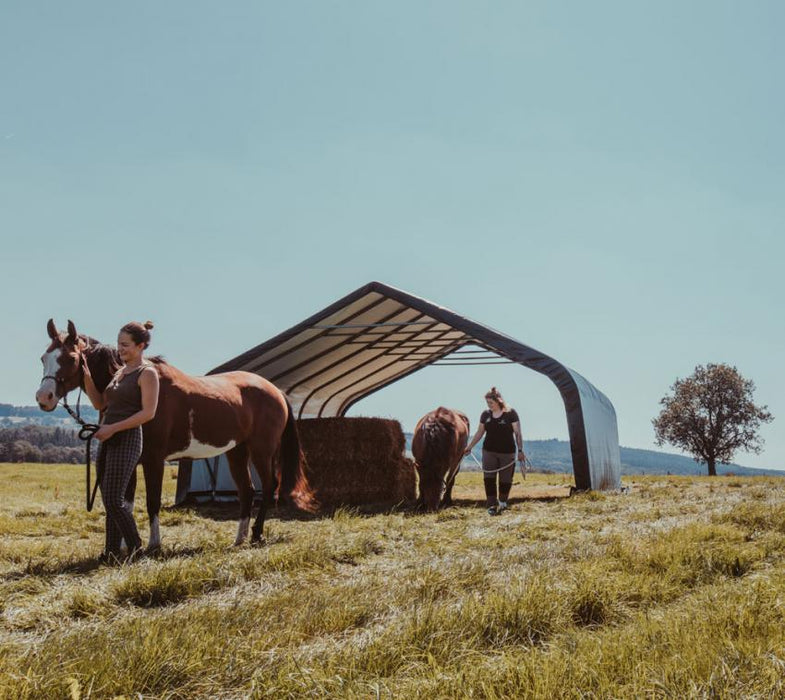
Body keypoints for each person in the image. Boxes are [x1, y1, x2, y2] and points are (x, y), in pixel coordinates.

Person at [82, 321, 160, 563]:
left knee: (115, 499)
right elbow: (100, 404)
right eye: (118, 344)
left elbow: (148, 413)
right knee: (109, 499)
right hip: (109, 437)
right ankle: (111, 552)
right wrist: (85, 376)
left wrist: (112, 428)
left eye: (125, 345)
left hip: (126, 438)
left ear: (141, 345)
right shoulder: (120, 372)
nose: (120, 349)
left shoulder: (147, 373)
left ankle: (136, 549)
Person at [464, 386, 525, 515]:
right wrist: (469, 447)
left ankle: (502, 503)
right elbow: (480, 432)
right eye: (487, 403)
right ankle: (491, 505)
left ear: (498, 401)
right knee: (489, 478)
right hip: (489, 451)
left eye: (491, 402)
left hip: (507, 453)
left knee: (505, 479)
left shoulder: (511, 413)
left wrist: (520, 450)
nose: (489, 405)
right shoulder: (485, 415)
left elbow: (518, 433)